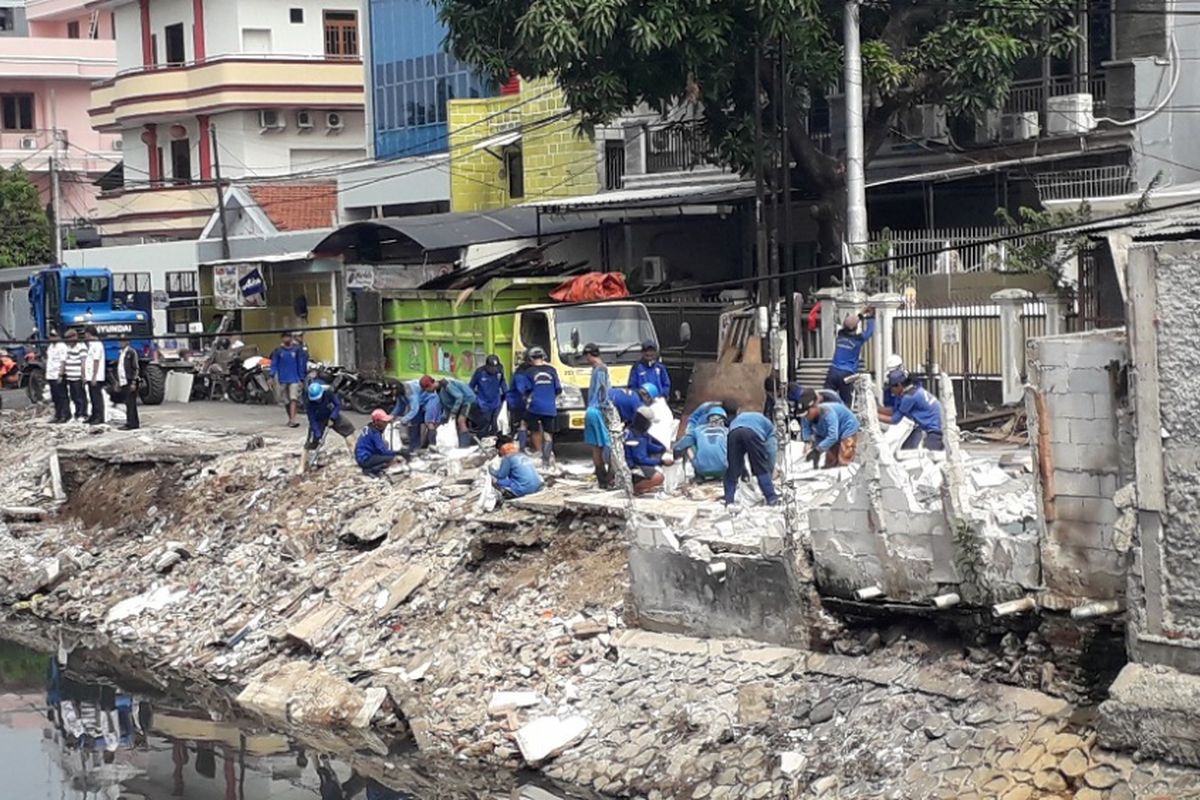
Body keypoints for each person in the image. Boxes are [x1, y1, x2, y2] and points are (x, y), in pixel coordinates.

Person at [515, 347, 561, 467]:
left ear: (530, 358)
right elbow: (558, 389)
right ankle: (546, 461)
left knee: (524, 424)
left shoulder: (529, 372)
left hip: (535, 405)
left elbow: (525, 389)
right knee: (548, 434)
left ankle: (522, 451)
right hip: (550, 407)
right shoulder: (552, 370)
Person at [724, 407, 779, 505]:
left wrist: (742, 470)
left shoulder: (737, 419)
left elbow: (736, 456)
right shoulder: (767, 424)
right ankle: (771, 498)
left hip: (733, 433)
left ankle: (729, 501)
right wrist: (770, 469)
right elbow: (771, 449)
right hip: (752, 433)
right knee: (760, 468)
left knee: (732, 470)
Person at [879, 370, 945, 451]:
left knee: (929, 459)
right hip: (933, 426)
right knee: (906, 450)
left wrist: (874, 416)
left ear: (899, 385)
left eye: (892, 388)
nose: (891, 391)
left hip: (934, 432)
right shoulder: (914, 389)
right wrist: (877, 409)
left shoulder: (909, 397)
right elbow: (897, 410)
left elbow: (895, 420)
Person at [824, 306, 875, 405]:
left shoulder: (840, 334)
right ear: (856, 328)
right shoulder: (858, 339)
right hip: (847, 374)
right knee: (847, 404)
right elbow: (869, 332)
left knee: (827, 401)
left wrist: (861, 314)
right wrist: (870, 317)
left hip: (833, 372)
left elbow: (849, 324)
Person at [799, 388, 861, 468]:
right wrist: (808, 443)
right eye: (804, 415)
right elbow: (806, 428)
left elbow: (832, 436)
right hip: (827, 432)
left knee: (844, 458)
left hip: (847, 427)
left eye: (807, 414)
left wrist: (817, 450)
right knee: (830, 462)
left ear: (815, 407)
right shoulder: (806, 416)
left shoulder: (828, 413)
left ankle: (845, 472)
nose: (806, 417)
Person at [301, 382, 356, 473]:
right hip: (318, 419)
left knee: (349, 430)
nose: (317, 401)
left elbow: (338, 405)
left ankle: (355, 457)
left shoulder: (328, 393)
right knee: (310, 442)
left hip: (332, 415)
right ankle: (302, 466)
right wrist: (318, 436)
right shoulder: (308, 402)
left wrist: (333, 417)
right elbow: (312, 420)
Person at [581, 343, 615, 488]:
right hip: (598, 411)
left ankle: (602, 480)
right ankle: (609, 478)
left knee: (596, 447)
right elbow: (603, 393)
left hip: (590, 410)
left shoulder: (597, 369)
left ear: (589, 355)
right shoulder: (602, 369)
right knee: (609, 444)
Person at [672, 404, 729, 480]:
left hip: (701, 469)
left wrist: (674, 448)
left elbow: (682, 445)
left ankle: (698, 476)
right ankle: (724, 475)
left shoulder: (698, 430)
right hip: (723, 468)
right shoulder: (727, 431)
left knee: (690, 446)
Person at [624, 407, 672, 495]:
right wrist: (661, 462)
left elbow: (650, 446)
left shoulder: (639, 433)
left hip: (636, 462)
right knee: (658, 477)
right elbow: (640, 459)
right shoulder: (635, 437)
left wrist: (664, 449)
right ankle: (636, 488)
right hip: (632, 466)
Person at [269, 333, 308, 428]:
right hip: (283, 379)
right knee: (286, 401)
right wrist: (271, 376)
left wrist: (302, 378)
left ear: (291, 338)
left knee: (293, 399)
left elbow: (300, 363)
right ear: (282, 338)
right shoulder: (278, 351)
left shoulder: (297, 350)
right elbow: (274, 364)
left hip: (294, 378)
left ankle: (293, 420)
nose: (286, 338)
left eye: (288, 336)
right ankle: (290, 418)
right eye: (284, 337)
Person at [468, 355, 507, 437]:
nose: (494, 370)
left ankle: (495, 442)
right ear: (487, 366)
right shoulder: (479, 372)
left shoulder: (500, 371)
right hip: (484, 403)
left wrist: (507, 395)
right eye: (492, 368)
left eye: (495, 368)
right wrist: (475, 399)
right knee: (485, 424)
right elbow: (471, 386)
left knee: (496, 424)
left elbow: (503, 383)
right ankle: (482, 441)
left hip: (496, 402)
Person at [356, 409, 403, 476]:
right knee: (392, 458)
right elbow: (382, 451)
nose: (386, 424)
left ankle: (371, 468)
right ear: (377, 421)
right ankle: (371, 470)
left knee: (386, 446)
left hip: (361, 456)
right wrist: (397, 452)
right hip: (365, 459)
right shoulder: (374, 433)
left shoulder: (369, 428)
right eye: (384, 422)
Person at [390, 378, 432, 451]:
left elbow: (414, 409)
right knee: (412, 423)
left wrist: (404, 419)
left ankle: (418, 447)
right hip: (419, 404)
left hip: (427, 403)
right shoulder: (400, 393)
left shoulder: (410, 393)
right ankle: (414, 446)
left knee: (415, 423)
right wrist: (392, 416)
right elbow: (400, 406)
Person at [436, 377, 477, 447]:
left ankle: (464, 446)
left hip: (466, 400)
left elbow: (459, 397)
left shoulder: (446, 385)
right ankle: (458, 443)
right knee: (451, 422)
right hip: (457, 404)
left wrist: (453, 412)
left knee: (461, 421)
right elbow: (446, 405)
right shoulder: (439, 391)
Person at [506, 350, 532, 451]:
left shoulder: (528, 370)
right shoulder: (521, 372)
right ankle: (520, 447)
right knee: (520, 424)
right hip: (517, 403)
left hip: (523, 402)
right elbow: (521, 389)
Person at [63, 329, 89, 421]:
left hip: (77, 376)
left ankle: (83, 413)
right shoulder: (68, 347)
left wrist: (83, 375)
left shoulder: (81, 347)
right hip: (70, 376)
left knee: (80, 396)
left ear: (75, 337)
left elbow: (83, 362)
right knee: (73, 396)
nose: (68, 340)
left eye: (69, 338)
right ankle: (77, 413)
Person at [116, 335, 140, 430]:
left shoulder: (131, 352)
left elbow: (136, 368)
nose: (120, 343)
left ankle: (132, 423)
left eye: (122, 341)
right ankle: (131, 421)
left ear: (127, 342)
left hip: (130, 380)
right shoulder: (122, 353)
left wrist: (134, 382)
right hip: (124, 381)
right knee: (128, 403)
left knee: (131, 403)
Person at [84, 328, 107, 425]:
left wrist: (94, 376)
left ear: (89, 334)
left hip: (96, 376)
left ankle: (99, 417)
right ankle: (93, 415)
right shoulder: (91, 345)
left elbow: (96, 361)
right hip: (90, 376)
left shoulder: (97, 345)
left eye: (86, 334)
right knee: (92, 397)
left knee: (97, 397)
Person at [46, 329, 69, 423]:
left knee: (62, 396)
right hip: (50, 375)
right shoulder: (51, 347)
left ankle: (65, 415)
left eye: (53, 336)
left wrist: (60, 374)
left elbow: (63, 361)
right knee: (55, 396)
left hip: (58, 374)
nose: (51, 338)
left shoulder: (62, 346)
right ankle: (58, 414)